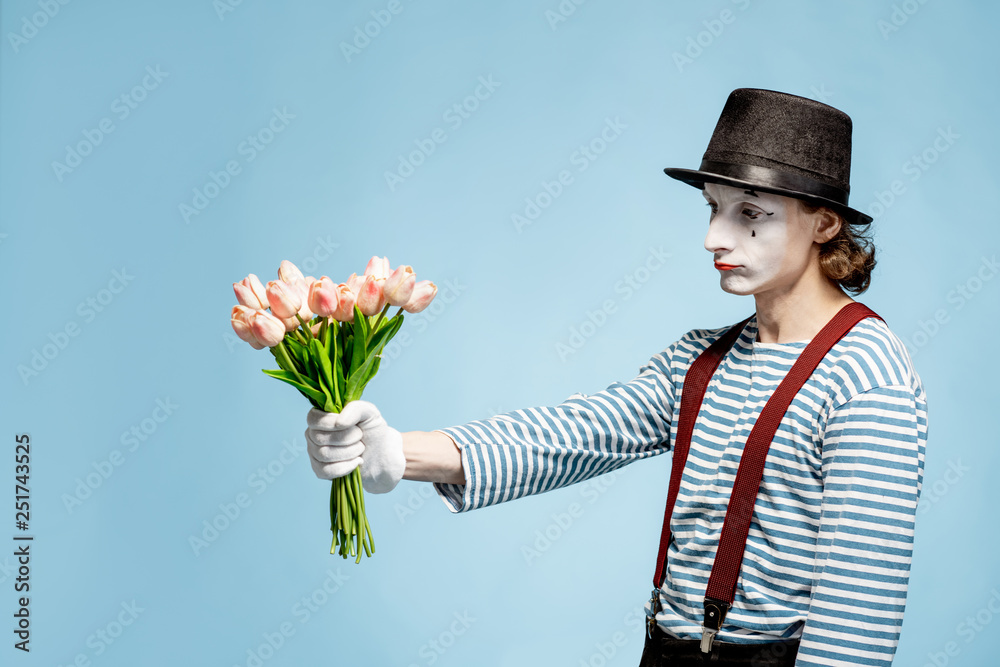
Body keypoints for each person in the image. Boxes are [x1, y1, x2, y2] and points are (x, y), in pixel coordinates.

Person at [304, 88, 928, 667]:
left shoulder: (865, 375)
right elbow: (576, 434)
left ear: (825, 224)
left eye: (750, 214)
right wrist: (393, 453)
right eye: (713, 208)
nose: (714, 236)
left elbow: (858, 616)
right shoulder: (702, 360)